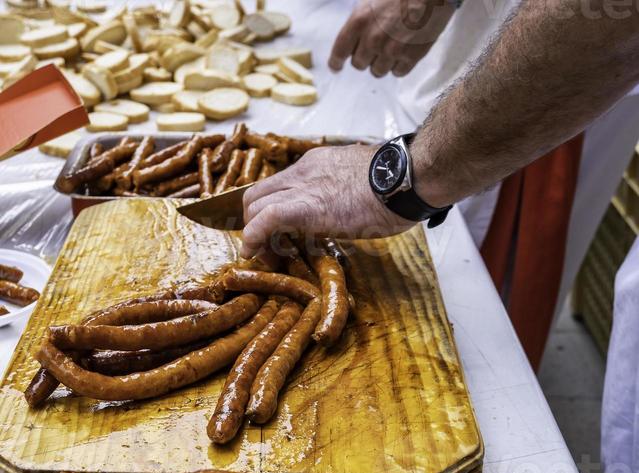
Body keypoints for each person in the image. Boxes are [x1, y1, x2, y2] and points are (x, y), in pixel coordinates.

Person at [242, 0, 639, 368]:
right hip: (485, 52)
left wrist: (406, 177)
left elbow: (613, 19)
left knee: (473, 321)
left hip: (547, 75)